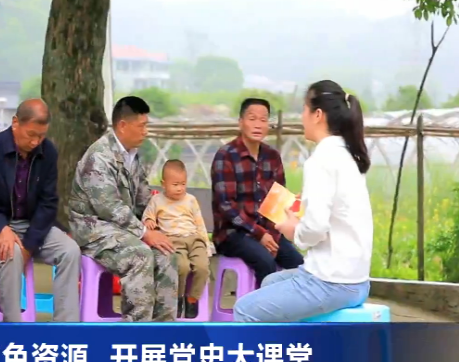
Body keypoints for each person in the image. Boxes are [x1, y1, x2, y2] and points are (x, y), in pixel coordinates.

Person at [234, 81, 373, 322]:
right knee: (270, 282)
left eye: (304, 109)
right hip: (357, 280)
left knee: (244, 310)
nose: (301, 116)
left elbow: (315, 230)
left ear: (317, 115)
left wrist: (293, 230)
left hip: (330, 282)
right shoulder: (348, 155)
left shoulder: (321, 160)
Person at [0, 99, 80, 322]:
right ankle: (14, 330)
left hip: (33, 224)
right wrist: (1, 229)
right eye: (31, 134)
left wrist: (30, 243)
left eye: (41, 136)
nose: (35, 141)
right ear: (15, 123)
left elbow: (48, 203)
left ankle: (66, 328)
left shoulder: (48, 152)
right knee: (11, 253)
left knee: (70, 251)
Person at [69, 97, 178, 323]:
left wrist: (161, 220)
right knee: (140, 254)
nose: (146, 131)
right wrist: (145, 233)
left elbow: (144, 198)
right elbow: (108, 207)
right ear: (122, 125)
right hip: (94, 229)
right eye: (142, 126)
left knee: (166, 252)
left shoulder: (131, 155)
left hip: (123, 228)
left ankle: (163, 330)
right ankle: (135, 332)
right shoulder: (99, 156)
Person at [211, 98, 305, 286]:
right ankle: (263, 305)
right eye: (252, 118)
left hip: (268, 231)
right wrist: (259, 234)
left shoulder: (272, 156)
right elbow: (226, 206)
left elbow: (278, 201)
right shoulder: (226, 155)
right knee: (265, 262)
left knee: (300, 265)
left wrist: (272, 235)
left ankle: (288, 304)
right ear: (241, 122)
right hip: (232, 233)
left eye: (263, 120)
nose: (258, 125)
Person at [142, 160, 211, 319]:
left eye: (183, 184)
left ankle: (192, 300)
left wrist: (206, 245)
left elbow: (199, 223)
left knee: (202, 267)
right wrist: (149, 221)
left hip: (194, 238)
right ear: (163, 184)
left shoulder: (191, 200)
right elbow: (147, 217)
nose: (180, 188)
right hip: (173, 240)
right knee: (182, 266)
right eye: (175, 184)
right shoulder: (157, 200)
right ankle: (177, 299)